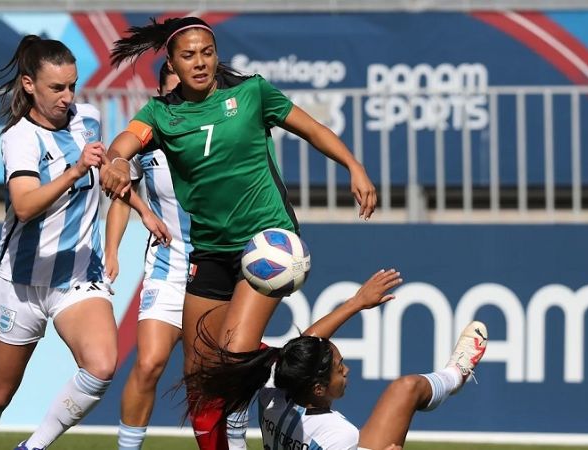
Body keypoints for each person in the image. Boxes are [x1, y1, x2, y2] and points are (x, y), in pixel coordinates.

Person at [99, 16, 378, 449]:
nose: (199, 62)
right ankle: (265, 382)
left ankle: (243, 417)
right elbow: (125, 142)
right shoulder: (161, 113)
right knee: (198, 372)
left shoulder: (251, 93)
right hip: (209, 251)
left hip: (266, 245)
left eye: (207, 53)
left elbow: (314, 129)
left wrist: (354, 167)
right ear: (171, 60)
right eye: (188, 55)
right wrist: (117, 162)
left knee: (232, 356)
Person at [0, 35, 118, 450]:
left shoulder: (89, 118)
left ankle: (32, 447)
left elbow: (112, 170)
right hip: (22, 282)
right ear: (29, 84)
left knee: (102, 365)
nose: (68, 97)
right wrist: (72, 170)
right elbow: (26, 205)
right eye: (57, 88)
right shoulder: (19, 137)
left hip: (78, 276)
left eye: (72, 86)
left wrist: (140, 205)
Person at [105, 64, 249, 450]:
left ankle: (231, 443)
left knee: (216, 370)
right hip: (168, 266)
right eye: (175, 89)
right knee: (149, 363)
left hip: (218, 262)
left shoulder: (221, 130)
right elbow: (121, 190)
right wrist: (112, 250)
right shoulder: (146, 134)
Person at [186, 269, 489, 450]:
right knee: (407, 389)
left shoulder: (273, 388)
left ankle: (456, 374)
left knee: (406, 387)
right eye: (339, 367)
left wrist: (356, 302)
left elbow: (305, 345)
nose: (346, 370)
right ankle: (457, 373)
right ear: (318, 388)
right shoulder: (337, 433)